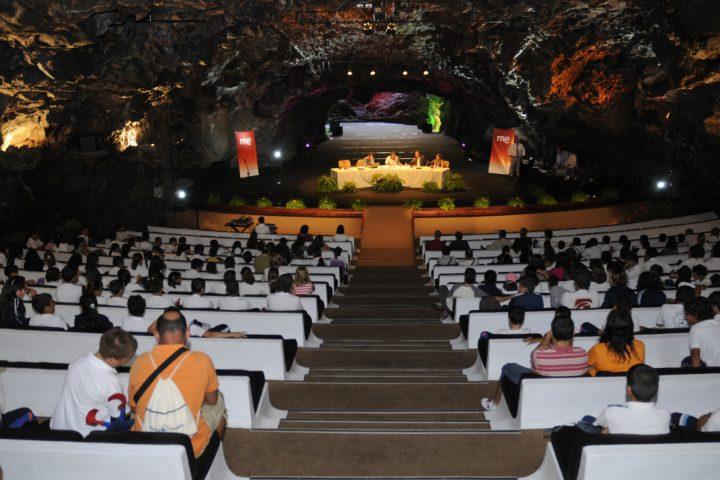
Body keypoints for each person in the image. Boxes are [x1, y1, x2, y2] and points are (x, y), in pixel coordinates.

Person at [128, 309, 227, 457]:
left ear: (156, 333)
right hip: (187, 444)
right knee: (219, 400)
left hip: (145, 438)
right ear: (187, 332)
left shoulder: (139, 362)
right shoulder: (202, 360)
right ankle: (208, 457)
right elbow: (212, 400)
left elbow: (134, 408)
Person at [481, 315, 588, 410]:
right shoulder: (583, 354)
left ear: (552, 333)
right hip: (570, 396)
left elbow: (534, 368)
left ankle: (495, 402)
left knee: (507, 367)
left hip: (545, 394)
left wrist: (545, 341)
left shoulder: (540, 355)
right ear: (573, 333)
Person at [50, 328, 137, 436]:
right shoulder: (110, 381)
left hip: (60, 425)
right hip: (85, 434)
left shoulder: (78, 361)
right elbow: (120, 415)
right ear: (112, 360)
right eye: (129, 358)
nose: (131, 359)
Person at [593, 364, 670, 434]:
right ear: (656, 389)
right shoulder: (665, 414)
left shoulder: (610, 413)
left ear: (629, 389)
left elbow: (596, 423)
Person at [587, 309, 645, 376]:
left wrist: (594, 371)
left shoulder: (598, 349)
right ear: (630, 326)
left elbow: (584, 365)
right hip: (632, 383)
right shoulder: (640, 345)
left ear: (608, 326)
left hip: (603, 385)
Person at [684, 297, 720, 367]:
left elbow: (695, 355)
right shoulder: (718, 323)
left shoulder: (696, 328)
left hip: (714, 372)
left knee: (686, 361)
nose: (685, 317)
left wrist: (697, 377)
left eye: (686, 313)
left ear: (695, 315)